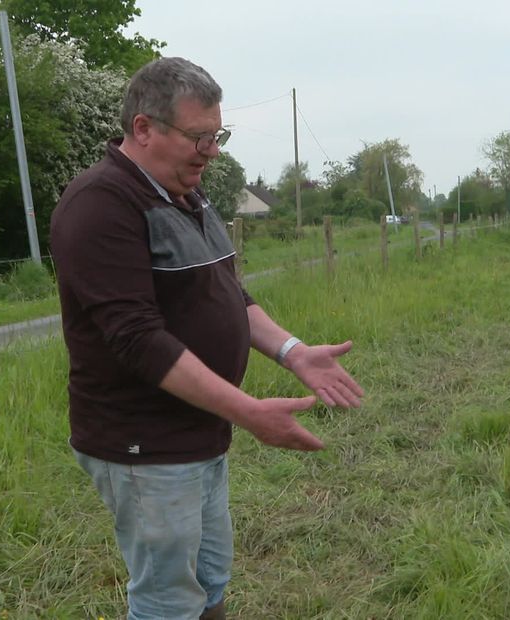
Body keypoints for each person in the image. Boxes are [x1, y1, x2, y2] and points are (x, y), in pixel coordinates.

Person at [49, 57, 364, 620]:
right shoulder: (100, 205)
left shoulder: (185, 193)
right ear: (144, 129)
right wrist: (248, 412)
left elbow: (227, 291)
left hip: (199, 433)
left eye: (217, 136)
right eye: (199, 137)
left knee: (209, 578)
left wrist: (293, 352)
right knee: (169, 598)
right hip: (143, 445)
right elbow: (138, 339)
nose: (212, 150)